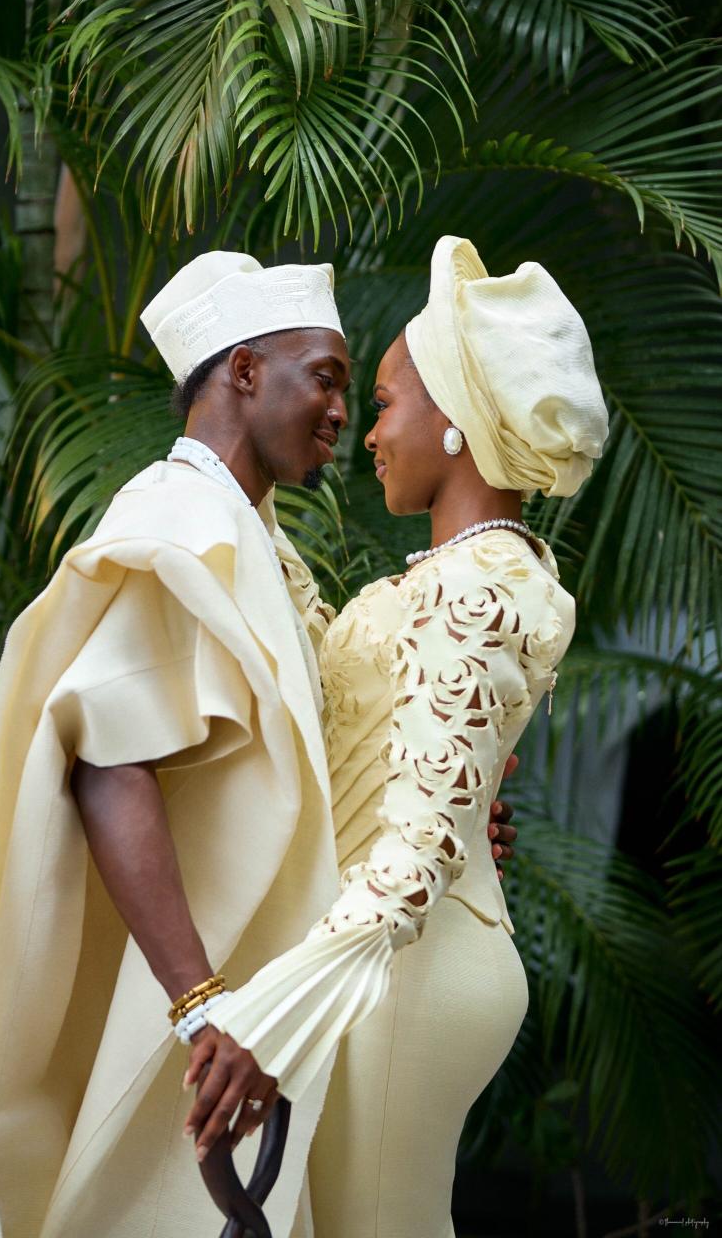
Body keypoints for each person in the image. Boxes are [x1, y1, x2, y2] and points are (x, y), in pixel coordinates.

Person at [0, 250, 516, 1238]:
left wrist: (443, 814)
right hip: (180, 998)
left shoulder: (251, 537)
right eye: (325, 378)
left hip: (246, 994)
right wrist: (200, 1003)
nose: (341, 414)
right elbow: (108, 763)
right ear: (244, 370)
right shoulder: (176, 524)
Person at [187, 235, 610, 1238]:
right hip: (395, 962)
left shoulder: (480, 585)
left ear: (455, 417)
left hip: (403, 966)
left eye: (382, 403)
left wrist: (268, 1014)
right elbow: (346, 696)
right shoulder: (456, 577)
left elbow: (417, 853)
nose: (367, 431)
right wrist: (229, 479)